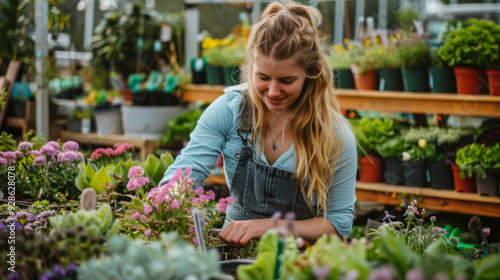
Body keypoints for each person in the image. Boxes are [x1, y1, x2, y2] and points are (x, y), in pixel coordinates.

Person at [160, 1, 357, 247]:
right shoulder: (230, 110)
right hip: (232, 249)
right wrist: (168, 196)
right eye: (263, 77)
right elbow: (188, 170)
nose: (273, 91)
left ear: (310, 73)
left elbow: (338, 224)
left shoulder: (333, 134)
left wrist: (273, 226)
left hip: (298, 259)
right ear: (250, 66)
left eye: (287, 80)